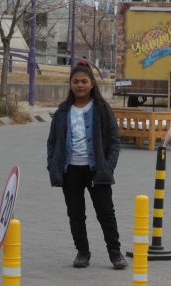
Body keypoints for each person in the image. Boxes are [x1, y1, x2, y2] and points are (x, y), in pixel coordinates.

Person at [47, 60, 127, 270]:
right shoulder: (63, 111)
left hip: (96, 170)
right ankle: (82, 252)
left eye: (84, 81)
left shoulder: (102, 109)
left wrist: (108, 167)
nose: (80, 85)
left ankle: (115, 253)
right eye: (76, 81)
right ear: (70, 84)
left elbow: (115, 141)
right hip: (70, 170)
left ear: (92, 84)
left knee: (106, 213)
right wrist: (52, 165)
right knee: (75, 214)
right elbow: (52, 141)